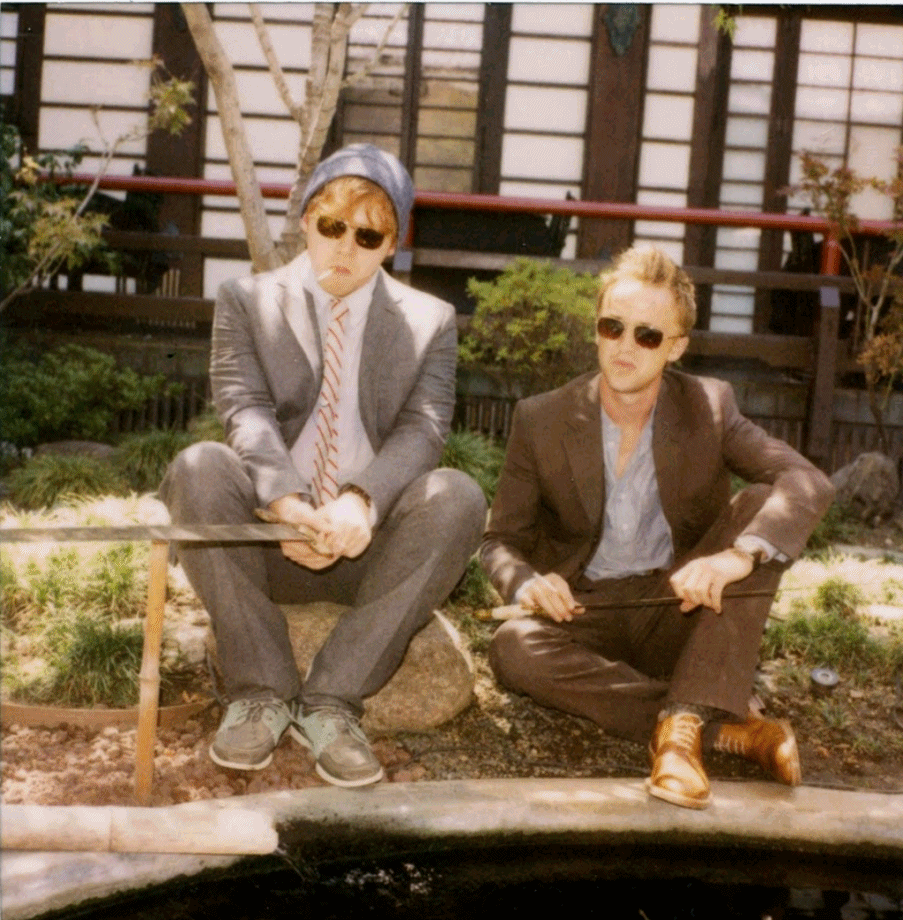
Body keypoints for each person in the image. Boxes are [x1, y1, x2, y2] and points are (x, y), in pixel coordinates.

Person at [161, 144, 486, 788]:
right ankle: (261, 691)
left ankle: (333, 701)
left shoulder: (431, 321)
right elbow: (244, 409)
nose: (345, 249)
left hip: (368, 549)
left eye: (368, 236)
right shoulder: (245, 299)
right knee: (198, 467)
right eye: (333, 226)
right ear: (307, 219)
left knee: (458, 495)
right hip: (266, 541)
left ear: (392, 244)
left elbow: (423, 431)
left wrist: (359, 504)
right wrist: (286, 504)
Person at [480, 246, 834, 809]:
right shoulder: (541, 417)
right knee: (514, 647)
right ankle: (716, 724)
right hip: (585, 611)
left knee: (759, 506)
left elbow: (806, 480)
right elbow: (500, 540)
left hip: (683, 608)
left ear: (676, 347)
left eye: (647, 335)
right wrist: (528, 583)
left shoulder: (709, 406)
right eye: (612, 327)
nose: (624, 347)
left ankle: (682, 728)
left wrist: (736, 557)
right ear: (596, 329)